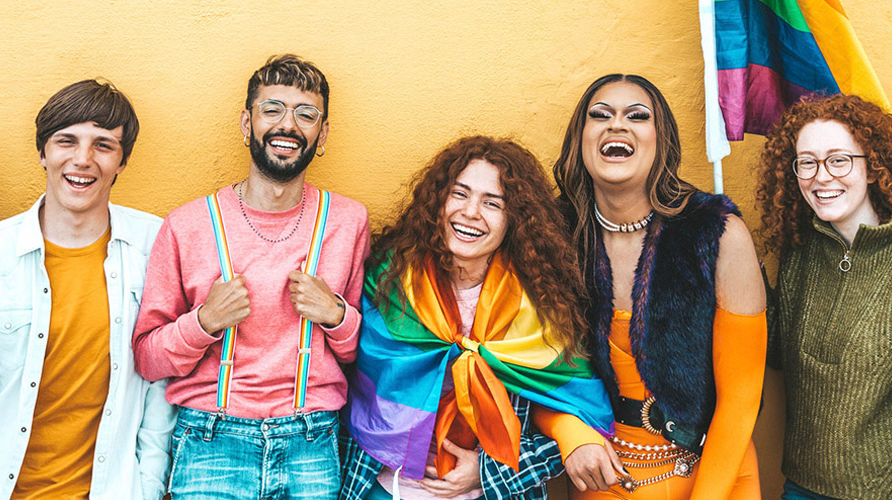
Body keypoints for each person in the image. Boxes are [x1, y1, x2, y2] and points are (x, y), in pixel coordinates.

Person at [0, 80, 174, 500]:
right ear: (43, 152)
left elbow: (158, 393)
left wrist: (147, 487)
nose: (82, 159)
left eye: (103, 145)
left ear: (122, 162)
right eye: (66, 141)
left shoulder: (155, 245)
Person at [132, 54, 370, 500]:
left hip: (312, 441)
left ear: (322, 135)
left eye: (306, 114)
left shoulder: (348, 222)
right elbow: (147, 358)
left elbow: (364, 356)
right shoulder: (187, 225)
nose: (288, 125)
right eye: (272, 109)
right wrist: (202, 323)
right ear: (247, 123)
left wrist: (336, 315)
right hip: (210, 440)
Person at [340, 136, 618, 500]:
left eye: (492, 203)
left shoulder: (543, 308)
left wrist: (487, 474)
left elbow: (575, 420)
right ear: (439, 202)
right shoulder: (389, 282)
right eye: (460, 194)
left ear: (514, 221)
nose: (471, 212)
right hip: (382, 487)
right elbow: (351, 392)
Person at [550, 74, 768, 500]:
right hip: (607, 478)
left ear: (660, 140)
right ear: (580, 139)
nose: (617, 124)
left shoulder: (719, 233)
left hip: (717, 475)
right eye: (600, 115)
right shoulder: (554, 239)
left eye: (637, 115)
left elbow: (741, 402)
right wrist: (570, 432)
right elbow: (528, 366)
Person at [754, 94, 892, 500]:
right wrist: (735, 260)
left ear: (873, 167)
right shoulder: (801, 254)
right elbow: (776, 353)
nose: (821, 177)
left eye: (839, 160)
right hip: (801, 488)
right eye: (807, 162)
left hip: (890, 493)